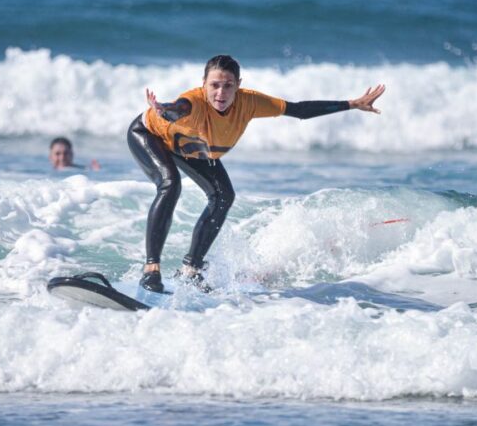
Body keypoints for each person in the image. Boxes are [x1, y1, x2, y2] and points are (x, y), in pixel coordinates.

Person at [127, 54, 385, 292]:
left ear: (238, 85)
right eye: (214, 85)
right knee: (170, 185)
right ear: (203, 83)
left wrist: (351, 104)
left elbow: (299, 111)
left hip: (191, 147)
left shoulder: (249, 102)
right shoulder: (192, 102)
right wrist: (163, 109)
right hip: (149, 135)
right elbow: (178, 108)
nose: (221, 92)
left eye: (228, 85)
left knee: (223, 196)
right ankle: (151, 269)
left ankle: (190, 269)